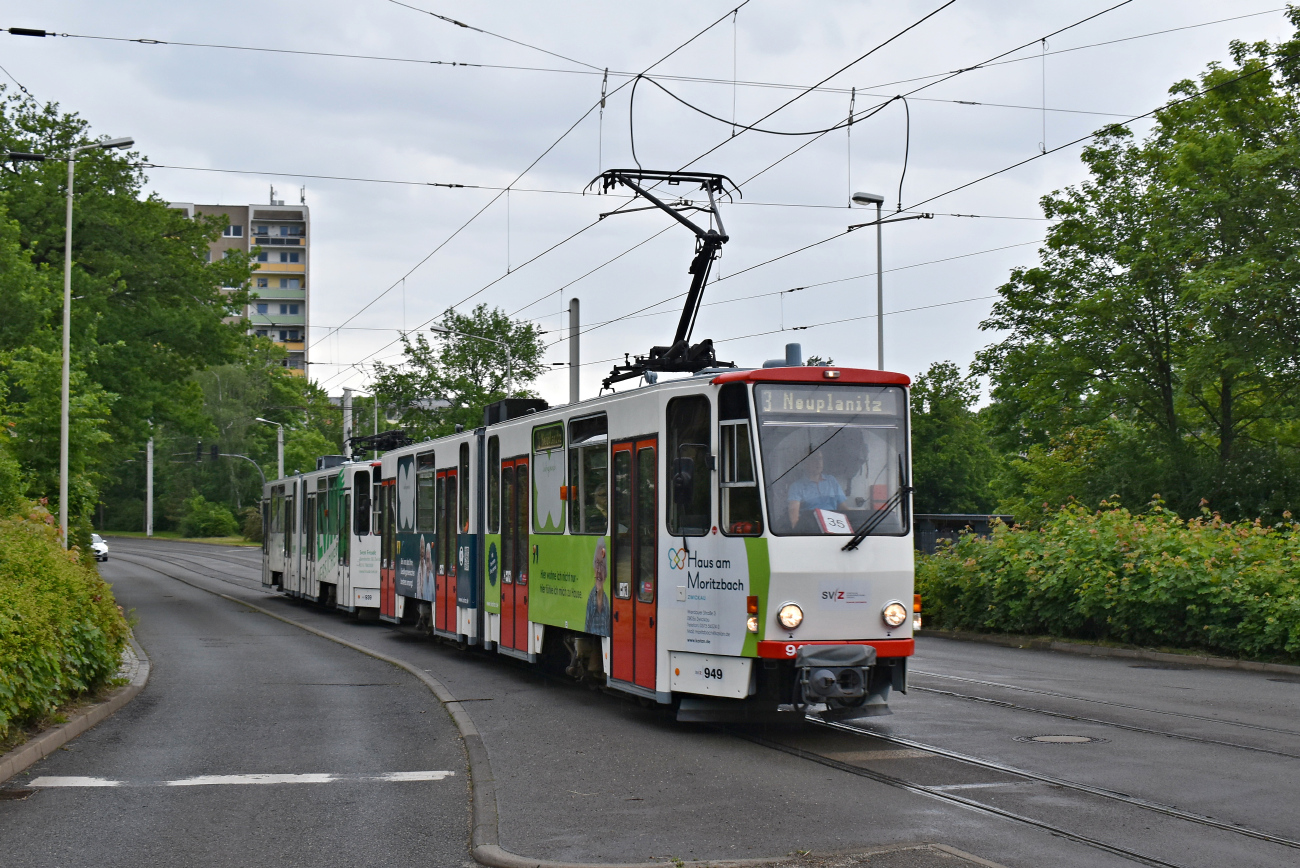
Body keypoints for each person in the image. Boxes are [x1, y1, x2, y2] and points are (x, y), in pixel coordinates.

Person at [787, 450, 852, 527]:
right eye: (814, 459)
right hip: (812, 528)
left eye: (820, 459)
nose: (818, 462)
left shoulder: (831, 480)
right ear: (805, 463)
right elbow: (794, 519)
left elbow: (843, 507)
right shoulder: (796, 487)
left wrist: (852, 524)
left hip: (834, 526)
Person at [585, 537, 610, 636]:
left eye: (602, 565)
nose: (599, 570)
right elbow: (587, 627)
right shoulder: (591, 598)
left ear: (606, 573)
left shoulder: (606, 601)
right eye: (597, 564)